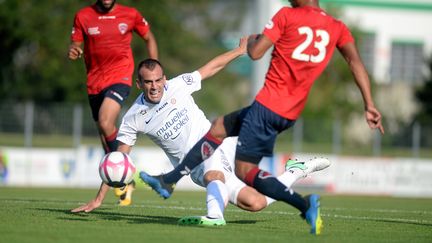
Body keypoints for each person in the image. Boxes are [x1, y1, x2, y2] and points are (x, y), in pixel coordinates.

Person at [140, 0, 385, 235]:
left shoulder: (287, 16)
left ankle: (304, 205)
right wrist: (369, 103)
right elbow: (356, 63)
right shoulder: (337, 27)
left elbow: (256, 53)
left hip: (267, 106)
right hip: (289, 112)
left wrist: (251, 41)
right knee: (217, 129)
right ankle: (169, 180)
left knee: (246, 171)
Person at [71, 37, 331, 226]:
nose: (154, 87)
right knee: (256, 203)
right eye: (147, 82)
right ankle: (296, 171)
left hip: (220, 144)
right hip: (195, 167)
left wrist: (240, 50)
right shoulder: (132, 118)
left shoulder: (178, 85)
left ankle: (214, 217)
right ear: (138, 83)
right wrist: (98, 199)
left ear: (164, 78)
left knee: (216, 165)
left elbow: (210, 68)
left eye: (158, 80)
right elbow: (119, 161)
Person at [68, 0, 158, 206]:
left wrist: (155, 68)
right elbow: (76, 43)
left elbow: (149, 37)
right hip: (94, 82)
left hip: (121, 74)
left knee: (105, 121)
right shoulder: (83, 16)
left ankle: (124, 168)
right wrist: (73, 49)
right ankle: (122, 181)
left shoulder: (131, 14)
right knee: (104, 133)